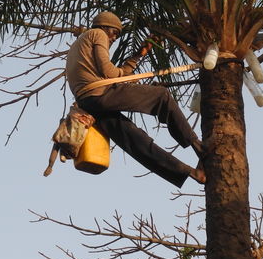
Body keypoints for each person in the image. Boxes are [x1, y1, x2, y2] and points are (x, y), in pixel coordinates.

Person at [65, 11, 205, 186]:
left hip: (89, 103)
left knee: (135, 140)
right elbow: (109, 73)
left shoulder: (78, 46)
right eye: (114, 32)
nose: (114, 38)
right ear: (104, 27)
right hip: (100, 94)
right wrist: (126, 74)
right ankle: (198, 146)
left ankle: (192, 173)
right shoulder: (97, 33)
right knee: (161, 96)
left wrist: (139, 54)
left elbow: (119, 75)